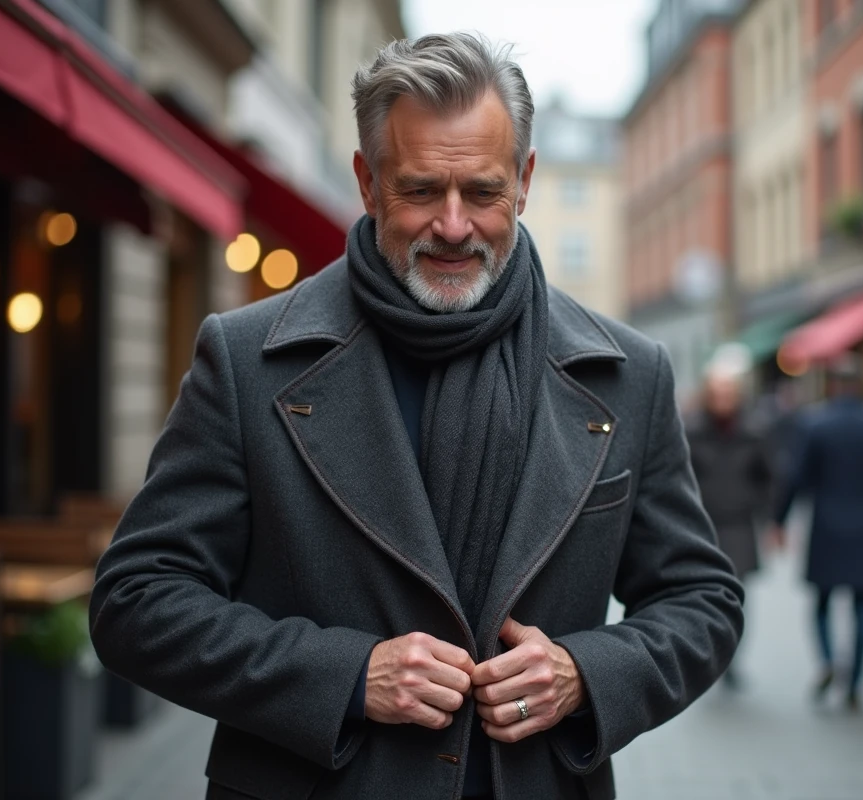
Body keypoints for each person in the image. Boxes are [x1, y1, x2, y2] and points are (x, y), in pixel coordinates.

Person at [88, 33, 743, 800]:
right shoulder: (245, 359)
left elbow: (703, 602)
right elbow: (136, 600)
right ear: (368, 183)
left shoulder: (629, 375)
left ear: (526, 181)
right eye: (422, 190)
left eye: (485, 192)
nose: (456, 225)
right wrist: (348, 675)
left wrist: (584, 676)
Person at [770, 355, 863, 712]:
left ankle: (828, 661)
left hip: (825, 525)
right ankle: (856, 682)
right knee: (862, 607)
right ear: (861, 386)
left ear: (831, 385)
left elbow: (795, 477)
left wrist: (779, 520)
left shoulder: (815, 424)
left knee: (822, 604)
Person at [685, 368, 772, 689]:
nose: (723, 399)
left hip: (739, 526)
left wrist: (768, 514)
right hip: (701, 526)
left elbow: (768, 477)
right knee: (699, 595)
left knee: (736, 597)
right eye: (717, 392)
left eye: (728, 393)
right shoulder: (692, 432)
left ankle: (730, 658)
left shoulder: (753, 432)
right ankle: (705, 657)